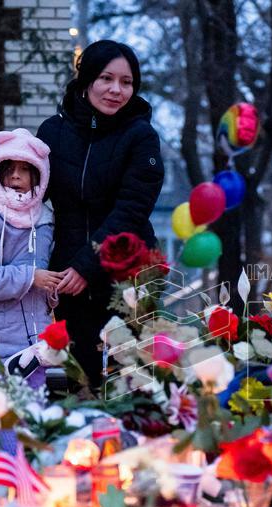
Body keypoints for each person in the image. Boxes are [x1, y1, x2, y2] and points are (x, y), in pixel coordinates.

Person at [37, 40, 165, 386]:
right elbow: (27, 193)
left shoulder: (141, 137)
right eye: (106, 78)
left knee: (130, 383)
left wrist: (86, 265)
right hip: (67, 280)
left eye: (126, 82)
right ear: (87, 80)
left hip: (127, 277)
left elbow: (132, 208)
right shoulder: (53, 132)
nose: (116, 90)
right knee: (77, 380)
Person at [0, 128, 61, 362]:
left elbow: (45, 278)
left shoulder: (47, 221)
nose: (16, 176)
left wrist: (53, 288)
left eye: (25, 169)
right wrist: (31, 277)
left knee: (32, 399)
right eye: (9, 168)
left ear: (40, 175)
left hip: (35, 347)